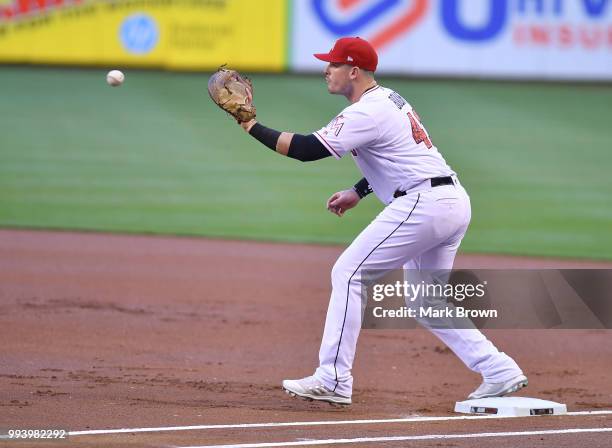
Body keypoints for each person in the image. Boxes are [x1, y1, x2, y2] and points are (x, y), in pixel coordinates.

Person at [239, 37, 527, 405]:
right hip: (450, 200)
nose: (326, 69)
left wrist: (250, 125)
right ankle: (499, 369)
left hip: (425, 203)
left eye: (334, 64)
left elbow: (305, 150)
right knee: (425, 302)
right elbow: (400, 157)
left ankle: (333, 377)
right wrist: (359, 191)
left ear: (354, 71)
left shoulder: (366, 111)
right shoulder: (389, 98)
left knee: (348, 272)